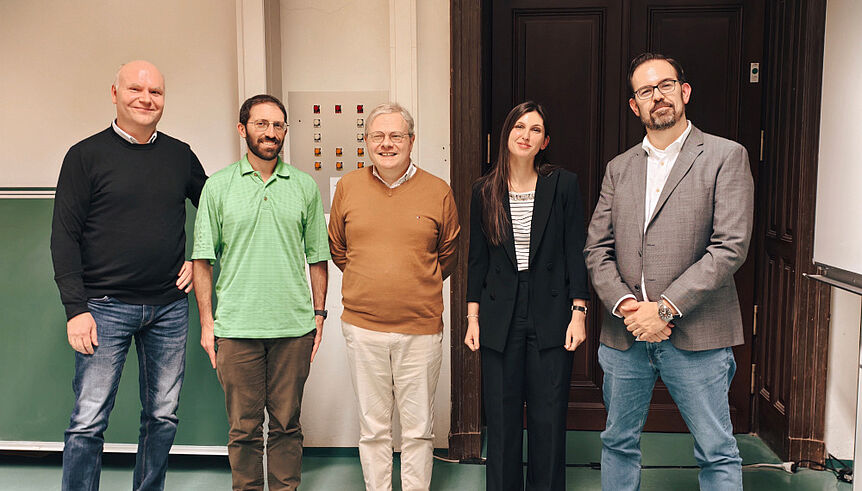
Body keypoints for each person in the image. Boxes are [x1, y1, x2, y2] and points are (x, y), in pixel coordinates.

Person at [584, 53, 754, 491]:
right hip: (626, 336)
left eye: (665, 85)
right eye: (646, 90)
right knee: (617, 443)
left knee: (717, 451)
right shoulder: (618, 168)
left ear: (684, 91)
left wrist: (663, 309)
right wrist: (628, 307)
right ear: (634, 105)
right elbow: (597, 249)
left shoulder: (725, 156)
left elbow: (729, 247)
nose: (657, 96)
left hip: (698, 335)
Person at [51, 60, 207, 490]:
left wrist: (198, 258)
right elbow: (64, 237)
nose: (146, 99)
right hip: (103, 309)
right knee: (88, 420)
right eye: (136, 89)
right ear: (115, 93)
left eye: (155, 92)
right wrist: (75, 309)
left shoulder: (180, 155)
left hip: (169, 308)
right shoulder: (84, 156)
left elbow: (216, 212)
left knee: (162, 416)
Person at [191, 94, 330, 490]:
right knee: (244, 429)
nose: (271, 132)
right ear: (243, 129)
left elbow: (317, 258)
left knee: (287, 426)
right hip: (236, 329)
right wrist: (207, 324)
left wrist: (318, 315)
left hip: (293, 329)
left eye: (278, 125)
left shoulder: (304, 186)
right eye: (261, 124)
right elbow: (202, 259)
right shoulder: (218, 186)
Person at [328, 102, 460, 491]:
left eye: (396, 136)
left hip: (420, 330)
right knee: (373, 429)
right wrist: (372, 281)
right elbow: (339, 248)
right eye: (378, 136)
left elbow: (447, 256)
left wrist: (410, 281)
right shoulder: (348, 187)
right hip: (363, 328)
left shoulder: (438, 191)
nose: (387, 144)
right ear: (367, 141)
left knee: (418, 430)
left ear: (411, 141)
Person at [464, 101, 590, 490]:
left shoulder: (562, 185)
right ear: (507, 134)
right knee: (501, 419)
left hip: (552, 309)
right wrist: (472, 319)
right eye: (519, 127)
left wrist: (579, 312)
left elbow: (576, 252)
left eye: (535, 130)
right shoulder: (484, 190)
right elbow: (477, 261)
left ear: (544, 142)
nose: (526, 135)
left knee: (548, 417)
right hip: (499, 311)